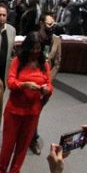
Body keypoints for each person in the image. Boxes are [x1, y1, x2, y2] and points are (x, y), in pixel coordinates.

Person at [0, 32, 53, 173]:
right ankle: (0, 169)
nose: (35, 52)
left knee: (24, 144)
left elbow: (50, 85)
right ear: (27, 48)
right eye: (33, 48)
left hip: (32, 112)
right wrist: (24, 84)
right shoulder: (17, 61)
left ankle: (14, 171)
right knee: (8, 144)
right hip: (14, 110)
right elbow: (11, 83)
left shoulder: (44, 64)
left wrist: (47, 89)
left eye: (38, 49)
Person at [30, 14, 62, 155]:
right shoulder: (34, 37)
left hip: (46, 85)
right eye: (49, 24)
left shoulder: (56, 40)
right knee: (30, 112)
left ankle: (32, 138)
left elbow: (57, 63)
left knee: (36, 112)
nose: (52, 26)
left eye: (53, 24)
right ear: (42, 23)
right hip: (31, 81)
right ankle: (30, 137)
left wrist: (49, 79)